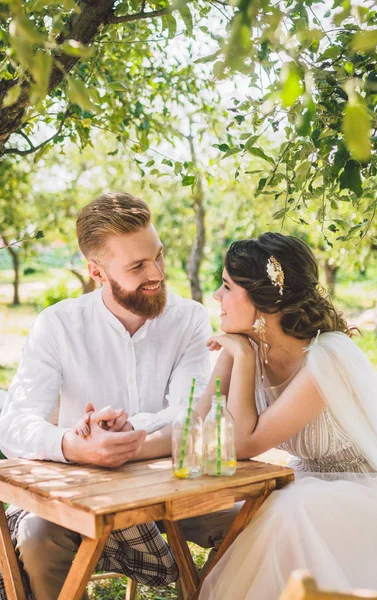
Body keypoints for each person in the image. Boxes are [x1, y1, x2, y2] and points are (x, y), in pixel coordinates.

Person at [0, 191, 217, 600]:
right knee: (36, 535)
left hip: (175, 491)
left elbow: (192, 415)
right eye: (137, 266)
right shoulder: (58, 325)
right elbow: (14, 424)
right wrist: (73, 445)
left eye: (158, 256)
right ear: (97, 272)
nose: (157, 273)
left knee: (253, 519)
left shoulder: (189, 319)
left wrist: (130, 431)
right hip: (82, 499)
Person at [197, 232, 377, 600]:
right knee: (283, 507)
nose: (216, 296)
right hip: (311, 485)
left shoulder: (328, 358)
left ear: (261, 298)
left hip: (371, 492)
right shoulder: (243, 343)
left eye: (226, 286)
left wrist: (242, 359)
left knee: (287, 511)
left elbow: (245, 444)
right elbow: (195, 425)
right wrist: (133, 445)